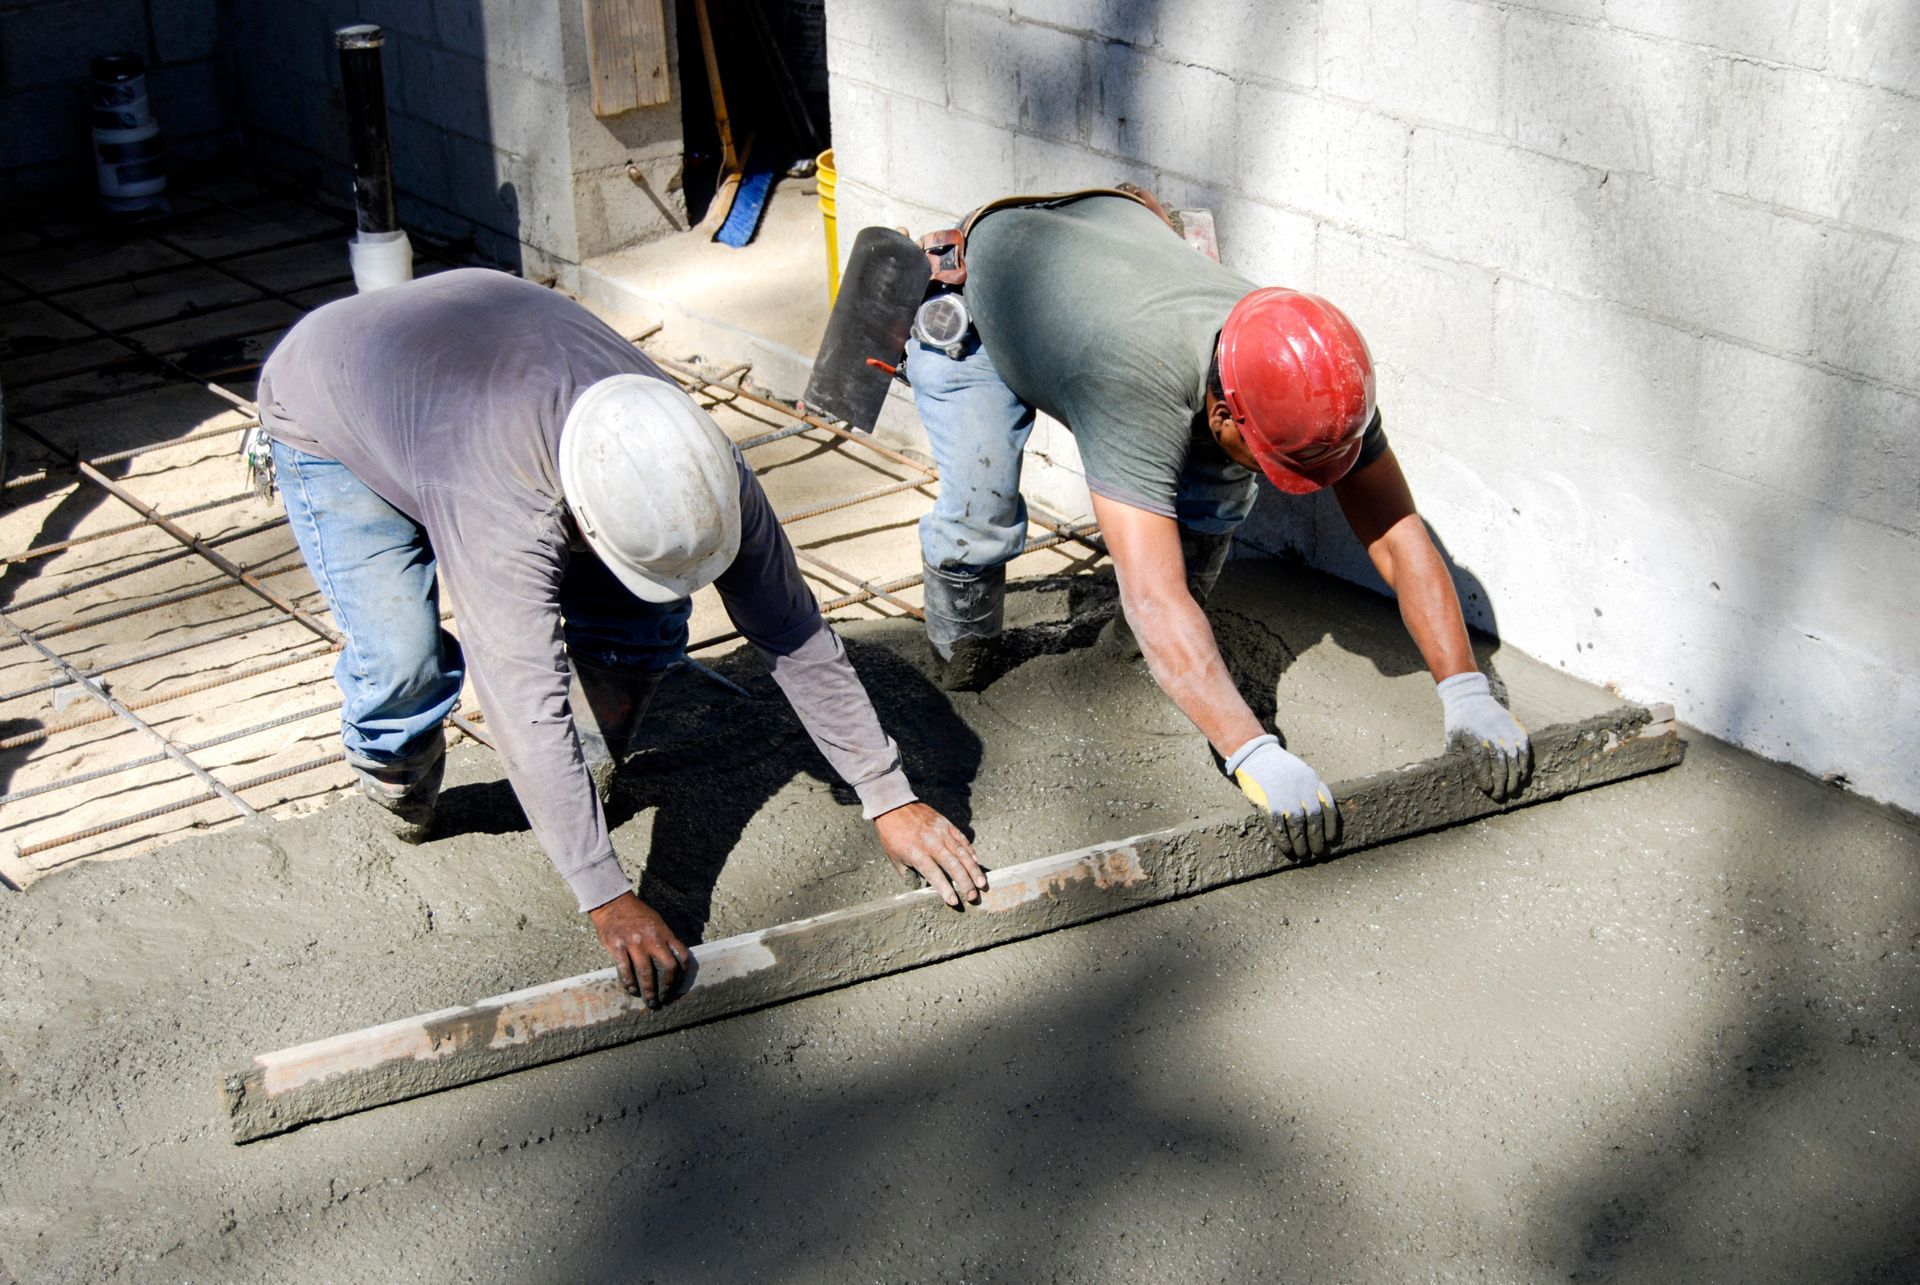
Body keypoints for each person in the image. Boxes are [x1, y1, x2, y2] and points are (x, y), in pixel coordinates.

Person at [257, 268, 986, 1008]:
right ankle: (396, 775)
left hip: (470, 365)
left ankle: (593, 762)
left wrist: (886, 793)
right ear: (578, 522)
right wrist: (606, 895)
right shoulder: (505, 511)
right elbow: (523, 704)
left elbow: (792, 629)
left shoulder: (699, 461)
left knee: (640, 620)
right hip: (332, 407)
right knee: (402, 663)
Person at [898, 188, 1532, 858]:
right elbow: (1154, 596)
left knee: (1219, 490)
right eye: (1272, 455)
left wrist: (1466, 688)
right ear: (1225, 410)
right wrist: (1251, 749)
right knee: (981, 511)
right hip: (991, 306)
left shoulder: (1310, 366)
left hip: (1112, 249)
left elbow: (1398, 532)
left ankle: (1150, 663)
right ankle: (960, 655)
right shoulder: (1132, 380)